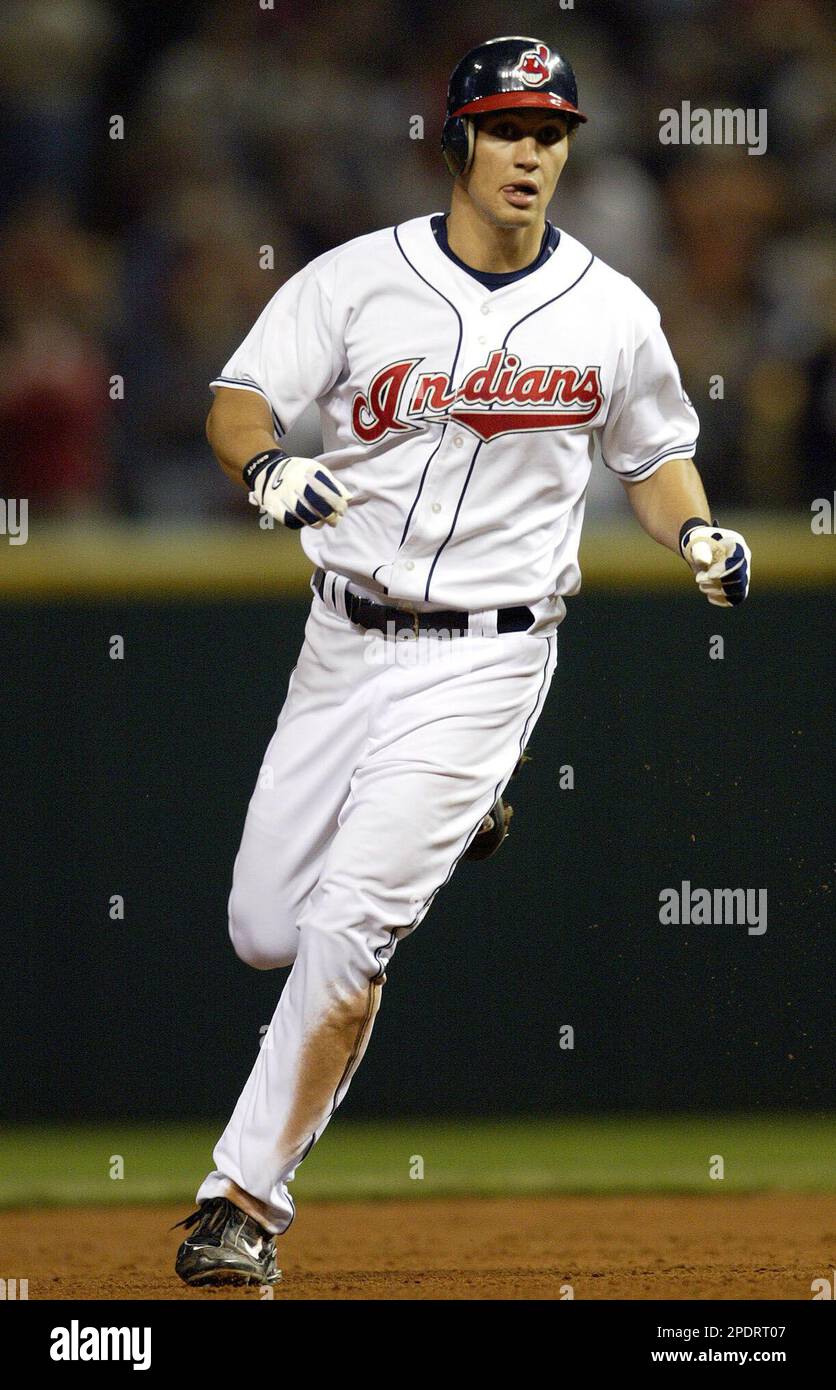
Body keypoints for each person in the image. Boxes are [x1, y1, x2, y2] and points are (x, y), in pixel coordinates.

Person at [173, 35, 750, 1288]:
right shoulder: (354, 280)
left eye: (550, 133)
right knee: (264, 927)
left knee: (346, 928)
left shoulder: (608, 309)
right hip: (344, 636)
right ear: (458, 141)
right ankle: (464, 810)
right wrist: (266, 462)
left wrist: (694, 526)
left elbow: (652, 459)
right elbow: (236, 399)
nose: (530, 153)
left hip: (491, 654)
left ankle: (239, 1204)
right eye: (506, 129)